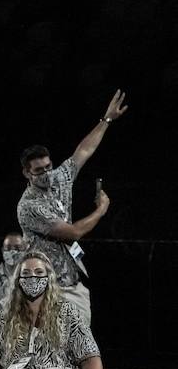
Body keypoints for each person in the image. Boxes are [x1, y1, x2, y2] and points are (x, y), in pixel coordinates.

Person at [16, 89, 128, 327]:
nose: (47, 174)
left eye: (48, 167)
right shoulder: (29, 206)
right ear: (27, 172)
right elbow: (73, 232)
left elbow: (84, 151)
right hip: (45, 289)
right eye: (39, 171)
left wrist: (106, 120)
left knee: (81, 349)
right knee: (51, 354)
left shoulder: (59, 178)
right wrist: (101, 210)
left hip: (71, 282)